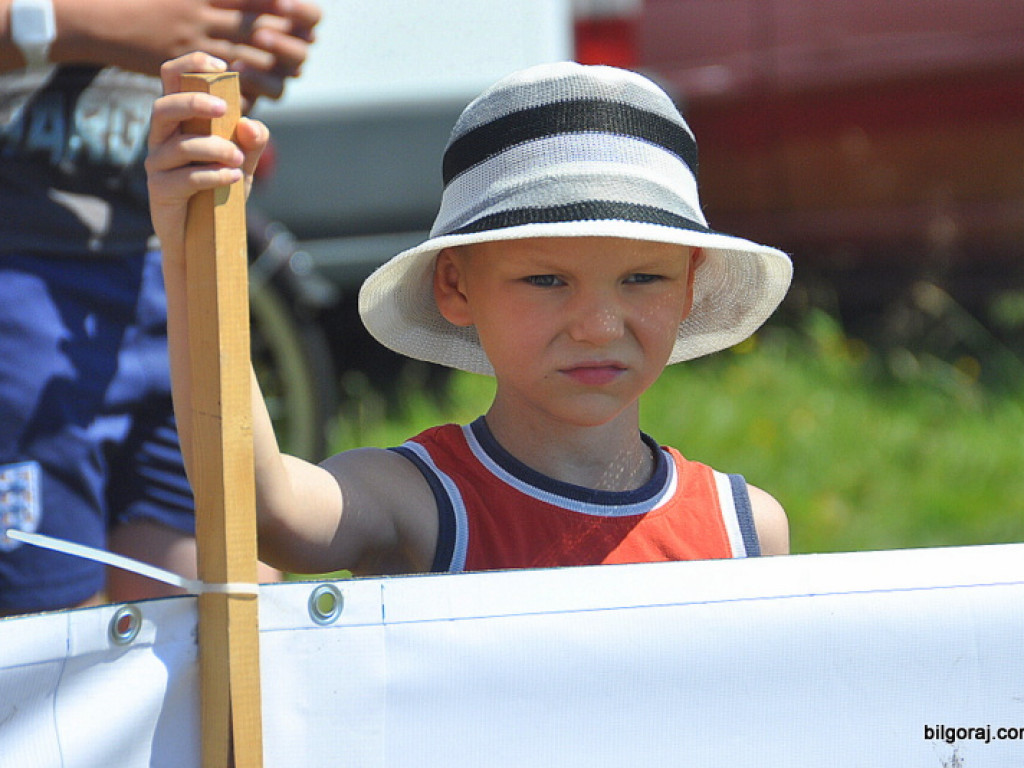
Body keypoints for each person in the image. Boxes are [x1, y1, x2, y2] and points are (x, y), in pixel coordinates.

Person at [147, 52, 794, 578]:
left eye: (642, 278)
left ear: (689, 288)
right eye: (546, 279)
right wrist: (196, 253)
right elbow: (264, 510)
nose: (599, 325)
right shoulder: (418, 504)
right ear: (455, 286)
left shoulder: (746, 531)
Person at [0, 1, 320, 616]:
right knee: (43, 666)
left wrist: (253, 48)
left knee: (228, 628)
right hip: (20, 279)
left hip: (167, 264)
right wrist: (89, 26)